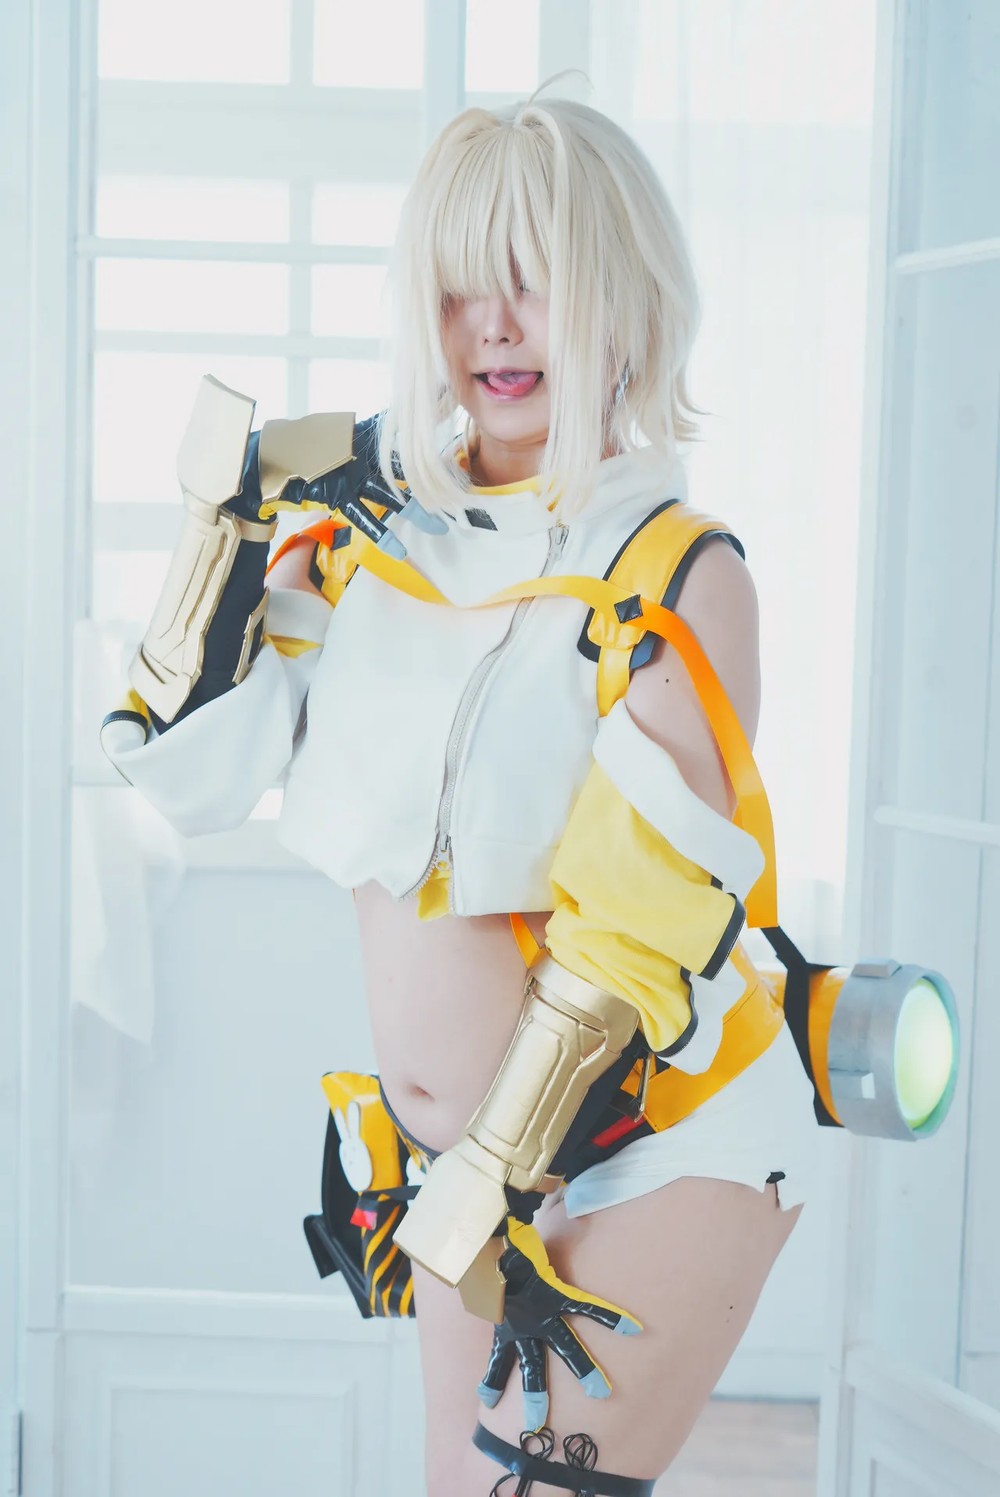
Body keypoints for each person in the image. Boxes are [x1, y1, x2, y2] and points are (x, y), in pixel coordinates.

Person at [102, 87, 821, 1496]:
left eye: (534, 281)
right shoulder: (368, 539)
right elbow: (186, 771)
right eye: (455, 288)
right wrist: (230, 520)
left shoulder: (680, 572)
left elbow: (631, 937)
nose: (492, 325)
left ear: (623, 297)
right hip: (462, 1162)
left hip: (652, 1135)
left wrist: (488, 1177)